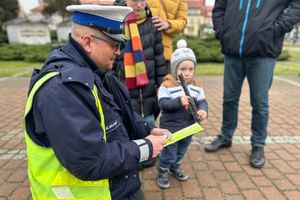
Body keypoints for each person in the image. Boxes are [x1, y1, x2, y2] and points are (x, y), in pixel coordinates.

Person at [23, 4, 171, 200]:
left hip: (115, 187)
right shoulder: (63, 89)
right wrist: (145, 148)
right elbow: (89, 161)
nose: (119, 52)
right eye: (115, 45)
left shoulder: (95, 71)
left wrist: (146, 130)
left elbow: (118, 114)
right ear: (88, 42)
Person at [205, 0, 300, 168]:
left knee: (259, 103)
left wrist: (279, 27)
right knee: (229, 99)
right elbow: (219, 7)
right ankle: (225, 136)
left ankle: (258, 144)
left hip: (263, 53)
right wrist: (222, 31)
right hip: (233, 52)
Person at [113, 0, 167, 169]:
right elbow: (112, 61)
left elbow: (159, 57)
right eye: (135, 0)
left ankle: (150, 152)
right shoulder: (117, 24)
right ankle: (133, 153)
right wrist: (112, 85)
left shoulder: (152, 24)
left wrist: (161, 83)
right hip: (125, 84)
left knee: (149, 119)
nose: (140, 4)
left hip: (148, 85)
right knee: (128, 120)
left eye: (143, 0)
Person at [156, 39, 208, 189]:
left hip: (189, 126)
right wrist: (179, 101)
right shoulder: (167, 85)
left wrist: (203, 109)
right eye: (182, 69)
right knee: (169, 152)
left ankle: (175, 166)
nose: (187, 73)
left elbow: (202, 101)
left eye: (191, 69)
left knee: (181, 150)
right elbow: (163, 104)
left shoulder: (197, 86)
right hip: (171, 127)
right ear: (174, 69)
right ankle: (163, 169)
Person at [147, 0, 187, 72]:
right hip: (138, 48)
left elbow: (183, 22)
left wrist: (168, 24)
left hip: (163, 53)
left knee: (164, 82)